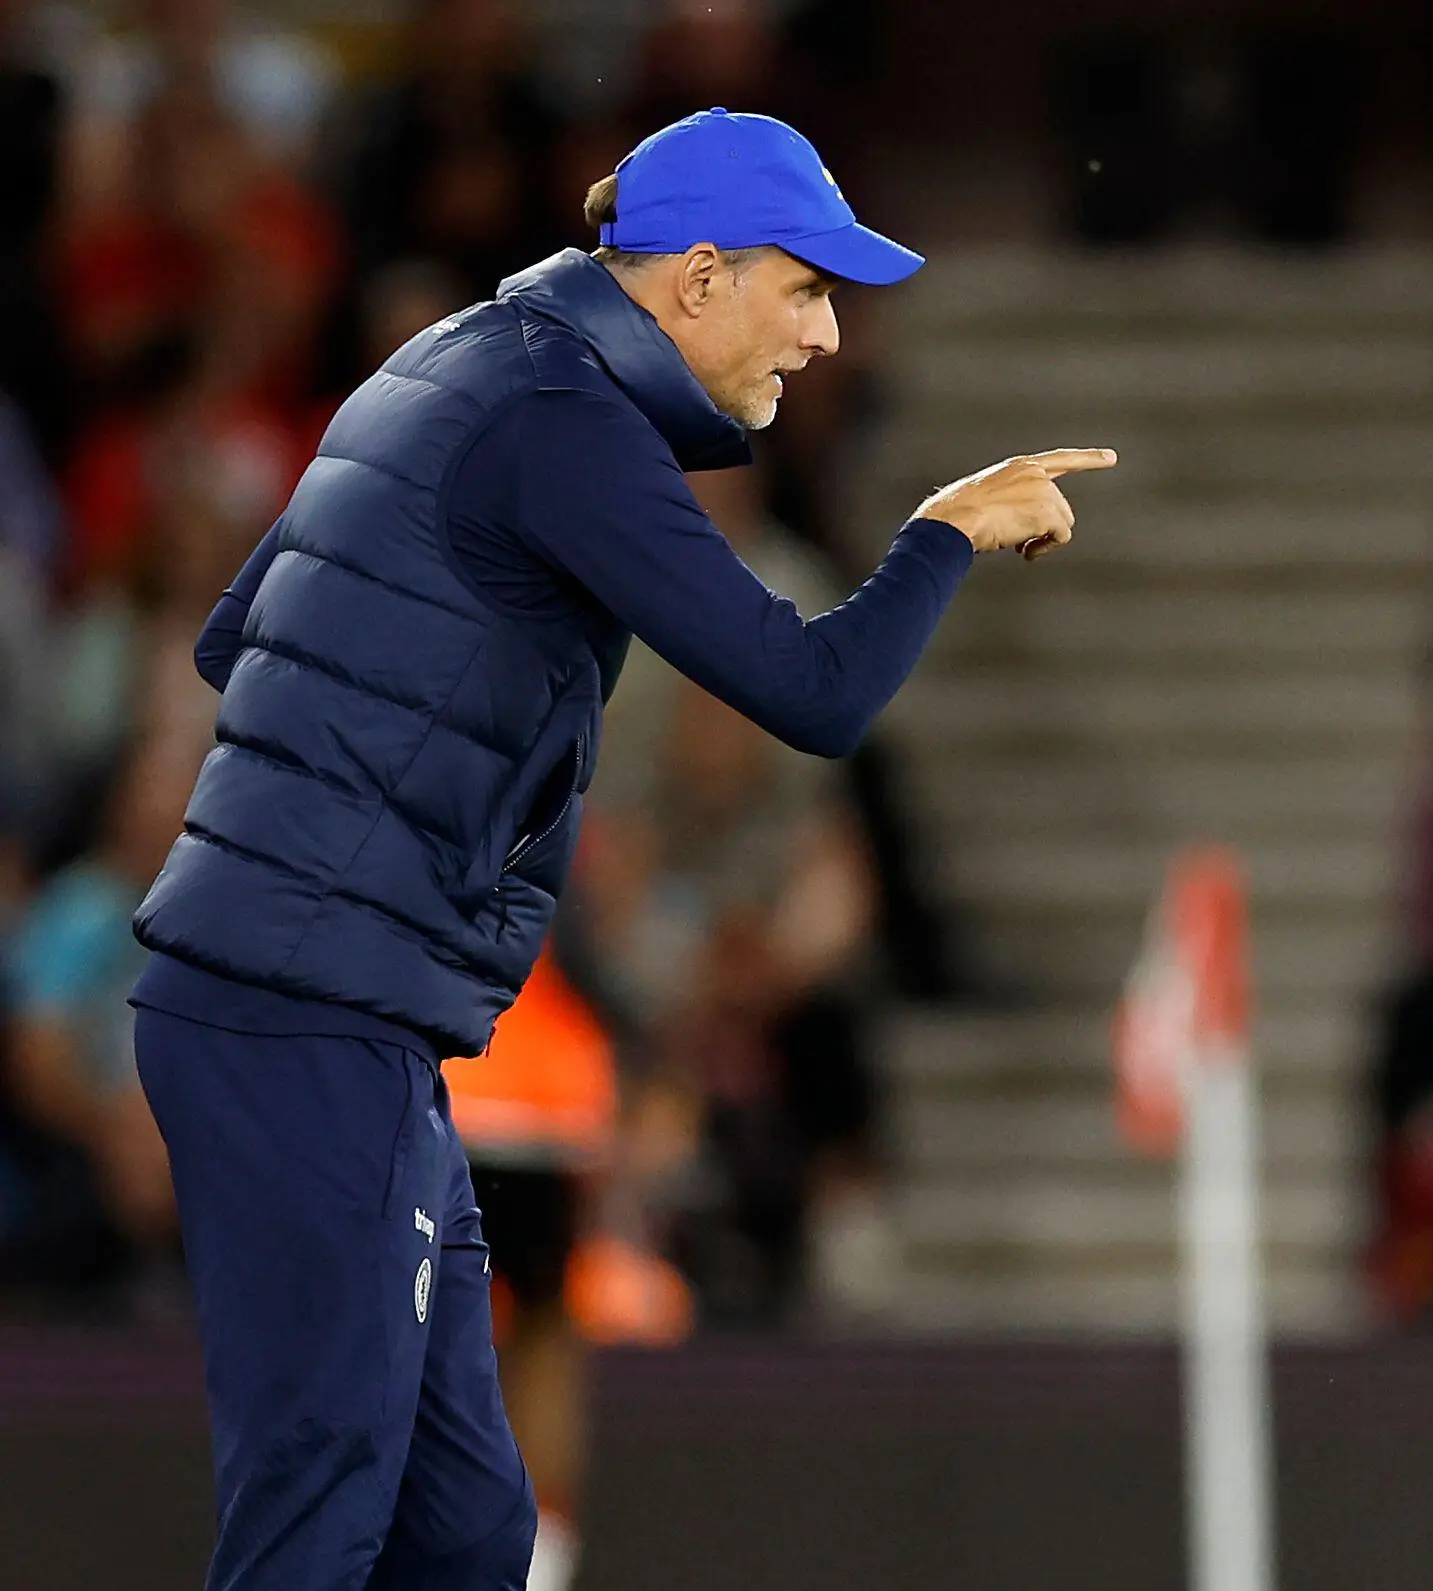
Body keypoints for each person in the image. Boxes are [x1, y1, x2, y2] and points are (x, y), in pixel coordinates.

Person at [125, 107, 1114, 1591]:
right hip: (302, 1014)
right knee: (317, 1515)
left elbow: (237, 637)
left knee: (465, 1531)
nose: (830, 337)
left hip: (324, 1010)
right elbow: (813, 690)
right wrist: (938, 535)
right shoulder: (557, 418)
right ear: (698, 278)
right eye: (807, 289)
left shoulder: (463, 358)